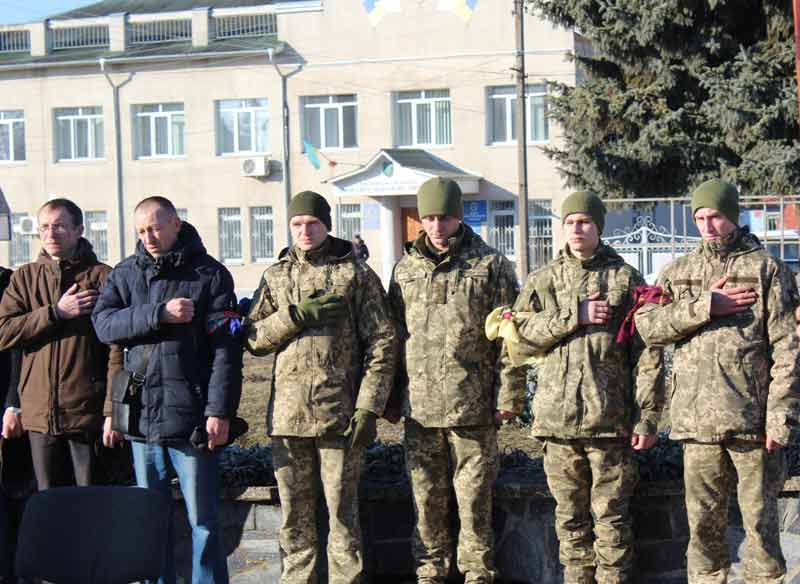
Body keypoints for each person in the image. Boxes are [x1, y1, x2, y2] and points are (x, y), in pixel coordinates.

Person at [635, 179, 799, 584]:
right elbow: (649, 327)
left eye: (716, 216)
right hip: (696, 426)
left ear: (734, 216)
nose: (708, 226)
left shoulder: (767, 270)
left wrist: (781, 418)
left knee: (761, 529)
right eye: (700, 217)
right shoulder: (678, 272)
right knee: (703, 531)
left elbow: (787, 349)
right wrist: (706, 306)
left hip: (752, 424)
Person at [504, 191, 664, 584]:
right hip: (557, 425)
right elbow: (518, 339)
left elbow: (647, 354)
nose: (578, 229)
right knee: (570, 521)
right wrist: (572, 315)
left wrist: (646, 418)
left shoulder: (624, 278)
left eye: (586, 222)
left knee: (611, 520)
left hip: (609, 421)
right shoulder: (543, 280)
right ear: (562, 228)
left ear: (598, 227)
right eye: (571, 222)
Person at [244, 190, 396, 584]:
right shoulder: (276, 276)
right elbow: (253, 338)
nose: (305, 230)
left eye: (313, 222)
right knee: (295, 520)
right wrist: (293, 317)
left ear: (327, 224)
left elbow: (383, 341)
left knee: (343, 517)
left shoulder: (355, 274)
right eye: (297, 223)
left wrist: (369, 405)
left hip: (339, 416)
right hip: (288, 418)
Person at [92, 196, 242, 584]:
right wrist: (159, 314)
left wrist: (219, 411)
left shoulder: (210, 275)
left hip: (191, 417)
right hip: (141, 419)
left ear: (177, 223)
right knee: (151, 522)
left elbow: (226, 351)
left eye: (156, 227)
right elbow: (104, 325)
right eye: (141, 231)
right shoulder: (125, 274)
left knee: (203, 522)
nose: (149, 237)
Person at [387, 178, 522, 584]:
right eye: (428, 217)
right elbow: (393, 335)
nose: (435, 225)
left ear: (458, 216)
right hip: (421, 407)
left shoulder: (490, 265)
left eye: (443, 217)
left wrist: (510, 393)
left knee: (474, 499)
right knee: (426, 498)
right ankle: (431, 571)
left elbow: (508, 336)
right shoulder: (405, 269)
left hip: (474, 405)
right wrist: (391, 397)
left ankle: (478, 573)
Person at [0, 199, 119, 490]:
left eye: (60, 226)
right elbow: (4, 332)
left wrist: (111, 410)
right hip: (39, 416)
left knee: (89, 506)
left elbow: (117, 351)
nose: (51, 234)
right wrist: (57, 312)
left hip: (86, 415)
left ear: (79, 230)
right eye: (44, 227)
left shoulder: (102, 277)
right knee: (48, 506)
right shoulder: (24, 278)